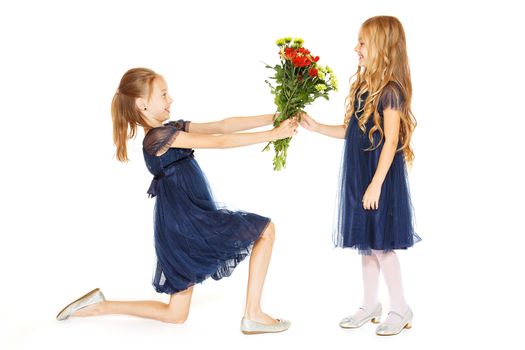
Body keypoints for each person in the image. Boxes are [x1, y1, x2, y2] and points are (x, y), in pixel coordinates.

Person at [56, 67, 297, 335]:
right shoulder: (158, 138)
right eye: (163, 94)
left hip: (184, 221)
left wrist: (275, 118)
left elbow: (222, 126)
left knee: (175, 314)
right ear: (142, 104)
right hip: (188, 222)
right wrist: (273, 135)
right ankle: (253, 314)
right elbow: (220, 142)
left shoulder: (170, 129)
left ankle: (100, 306)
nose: (170, 99)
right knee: (266, 230)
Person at [300, 16, 421, 336]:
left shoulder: (391, 91)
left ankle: (400, 307)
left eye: (363, 43)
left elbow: (392, 140)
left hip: (378, 179)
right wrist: (315, 126)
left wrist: (376, 184)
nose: (357, 48)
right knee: (366, 246)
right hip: (360, 175)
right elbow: (351, 132)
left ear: (381, 47)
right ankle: (370, 304)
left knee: (382, 245)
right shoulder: (362, 87)